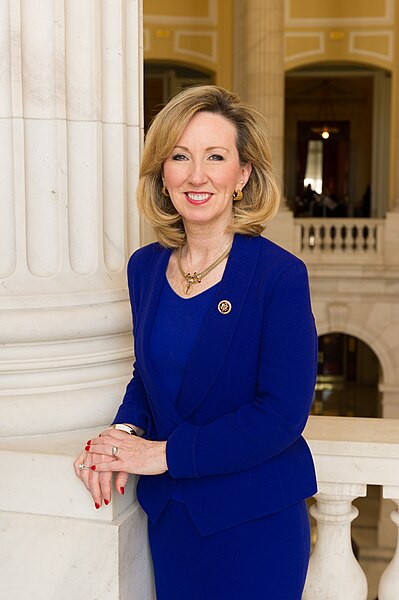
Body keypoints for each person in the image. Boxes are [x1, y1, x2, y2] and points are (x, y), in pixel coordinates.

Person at [74, 85, 318, 599]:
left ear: (243, 174)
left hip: (254, 523)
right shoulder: (144, 268)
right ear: (163, 173)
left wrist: (162, 455)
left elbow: (280, 415)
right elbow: (150, 375)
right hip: (173, 521)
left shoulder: (279, 275)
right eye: (180, 156)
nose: (196, 174)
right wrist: (120, 434)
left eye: (215, 156)